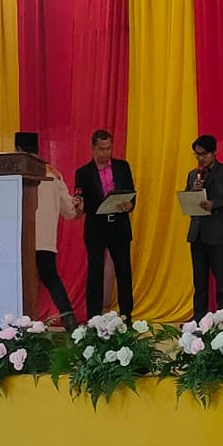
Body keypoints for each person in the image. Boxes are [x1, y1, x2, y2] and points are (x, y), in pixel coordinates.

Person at [15, 131, 81, 325]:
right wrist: (78, 207)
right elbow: (70, 211)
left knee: (19, 281)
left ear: (18, 149)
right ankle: (69, 320)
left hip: (20, 237)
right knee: (51, 278)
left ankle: (18, 322)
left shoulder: (15, 172)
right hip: (45, 238)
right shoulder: (53, 173)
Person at [73, 129, 135, 319]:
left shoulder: (122, 167)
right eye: (102, 149)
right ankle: (94, 317)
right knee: (95, 273)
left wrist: (129, 205)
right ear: (93, 148)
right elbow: (80, 199)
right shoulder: (83, 172)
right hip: (96, 226)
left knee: (124, 271)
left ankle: (127, 316)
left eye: (109, 148)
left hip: (119, 224)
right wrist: (79, 205)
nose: (106, 153)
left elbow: (131, 194)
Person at [185, 134, 223, 319]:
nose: (200, 158)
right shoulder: (193, 174)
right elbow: (186, 199)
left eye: (204, 154)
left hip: (217, 233)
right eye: (197, 154)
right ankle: (199, 318)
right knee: (199, 279)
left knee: (221, 278)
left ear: (214, 152)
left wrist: (214, 204)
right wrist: (194, 190)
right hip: (197, 232)